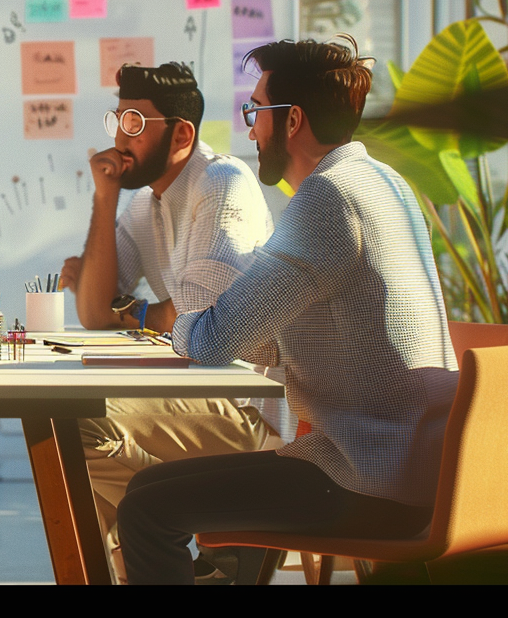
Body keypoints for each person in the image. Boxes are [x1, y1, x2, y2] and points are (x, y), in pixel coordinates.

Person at [117, 37, 459, 585]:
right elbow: (328, 325)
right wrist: (232, 326)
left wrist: (167, 321)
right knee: (145, 492)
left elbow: (211, 342)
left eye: (256, 111)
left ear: (292, 119)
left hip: (365, 477)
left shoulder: (327, 199)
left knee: (145, 510)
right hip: (419, 470)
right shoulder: (383, 182)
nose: (251, 129)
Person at [59, 62, 286, 581]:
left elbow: (198, 317)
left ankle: (165, 523)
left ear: (182, 132)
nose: (120, 138)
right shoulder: (148, 203)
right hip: (196, 394)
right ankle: (161, 549)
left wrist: (133, 310)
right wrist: (105, 193)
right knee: (66, 428)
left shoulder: (222, 184)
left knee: (78, 420)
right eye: (118, 119)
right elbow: (95, 314)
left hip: (252, 410)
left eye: (136, 124)